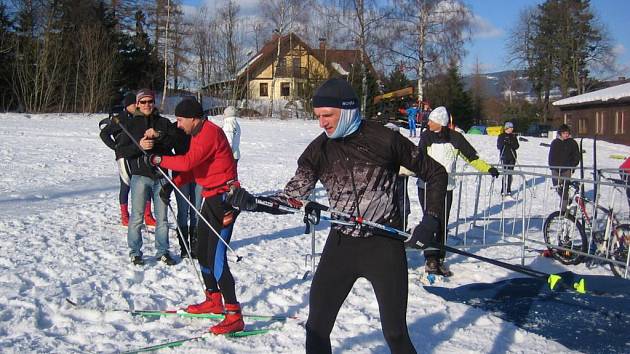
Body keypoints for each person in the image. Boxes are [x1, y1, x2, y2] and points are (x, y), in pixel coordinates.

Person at [226, 78, 448, 354]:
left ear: (348, 110)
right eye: (318, 116)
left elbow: (436, 173)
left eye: (327, 115)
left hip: (383, 246)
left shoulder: (385, 139)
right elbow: (292, 198)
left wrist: (431, 219)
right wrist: (253, 203)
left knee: (395, 333)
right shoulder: (318, 150)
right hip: (341, 246)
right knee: (316, 328)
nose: (322, 123)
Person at [149, 98, 244, 335]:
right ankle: (213, 300)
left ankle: (234, 315)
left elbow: (188, 161)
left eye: (181, 120)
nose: (178, 125)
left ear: (193, 118)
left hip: (224, 200)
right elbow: (194, 169)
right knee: (202, 251)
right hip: (209, 199)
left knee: (217, 258)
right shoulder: (197, 134)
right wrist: (173, 184)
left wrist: (159, 159)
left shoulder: (210, 133)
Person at [417, 106, 499, 276]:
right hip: (427, 187)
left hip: (446, 187)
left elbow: (471, 157)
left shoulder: (456, 138)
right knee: (431, 222)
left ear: (440, 122)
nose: (428, 123)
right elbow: (418, 158)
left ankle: (439, 257)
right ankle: (430, 258)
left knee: (442, 223)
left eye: (431, 120)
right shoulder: (426, 136)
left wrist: (488, 168)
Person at [117, 89, 176, 266]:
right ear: (137, 104)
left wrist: (158, 136)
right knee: (137, 217)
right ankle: (135, 252)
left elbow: (172, 144)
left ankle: (163, 251)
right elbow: (121, 151)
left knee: (162, 217)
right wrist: (139, 146)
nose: (147, 105)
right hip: (140, 177)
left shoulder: (163, 122)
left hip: (161, 176)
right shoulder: (130, 125)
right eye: (143, 102)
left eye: (150, 101)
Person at [171, 122, 199, 259]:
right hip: (180, 174)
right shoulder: (174, 127)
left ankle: (195, 245)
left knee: (196, 210)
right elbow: (166, 147)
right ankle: (184, 246)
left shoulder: (200, 128)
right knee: (183, 210)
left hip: (199, 174)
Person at [548, 124, 580, 212]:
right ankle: (565, 201)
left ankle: (563, 210)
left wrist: (572, 166)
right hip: (555, 169)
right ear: (560, 133)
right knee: (558, 187)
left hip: (567, 169)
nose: (566, 135)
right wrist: (551, 166)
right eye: (564, 133)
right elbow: (551, 155)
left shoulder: (572, 143)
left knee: (565, 188)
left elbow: (576, 156)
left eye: (567, 133)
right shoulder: (555, 142)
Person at [497, 121, 520, 199]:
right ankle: (503, 190)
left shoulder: (513, 136)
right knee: (505, 173)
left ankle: (509, 190)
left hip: (512, 157)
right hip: (504, 156)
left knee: (510, 174)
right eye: (510, 128)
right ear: (506, 128)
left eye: (512, 128)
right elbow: (499, 146)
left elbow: (517, 146)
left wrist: (511, 143)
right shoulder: (501, 136)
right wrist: (504, 142)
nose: (512, 129)